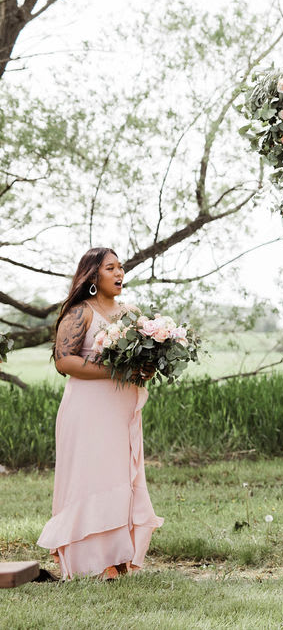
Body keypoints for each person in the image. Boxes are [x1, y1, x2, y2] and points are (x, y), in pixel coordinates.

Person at [37, 248, 162, 580]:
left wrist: (146, 367)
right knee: (92, 476)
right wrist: (114, 372)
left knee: (120, 476)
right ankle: (95, 561)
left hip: (122, 410)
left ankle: (120, 555)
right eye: (111, 268)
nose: (119, 272)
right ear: (93, 277)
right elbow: (65, 361)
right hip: (87, 409)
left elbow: (137, 362)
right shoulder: (81, 314)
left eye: (120, 267)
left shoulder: (132, 313)